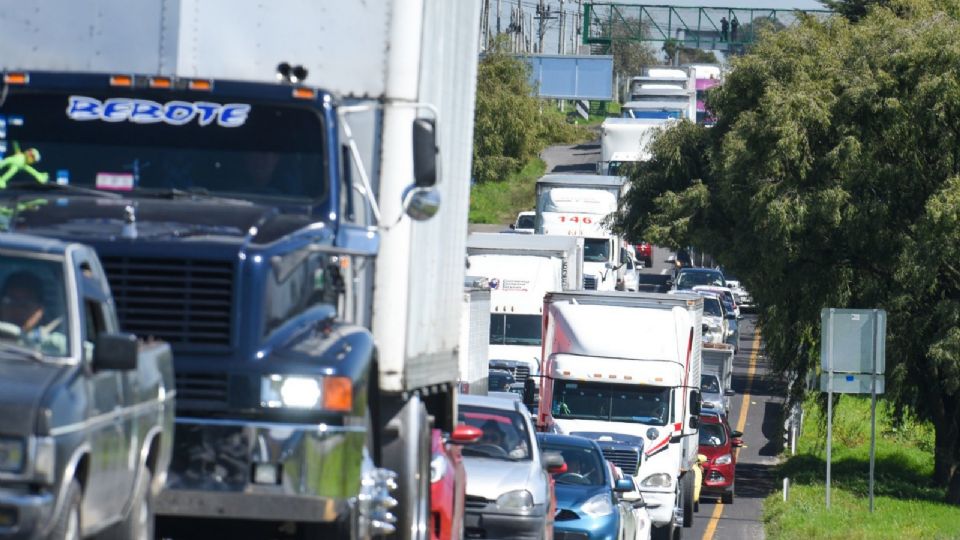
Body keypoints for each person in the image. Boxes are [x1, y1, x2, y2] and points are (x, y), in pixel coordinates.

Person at [0, 270, 65, 354]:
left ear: (39, 312)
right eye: (10, 302)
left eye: (25, 304)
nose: (17, 309)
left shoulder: (52, 345)